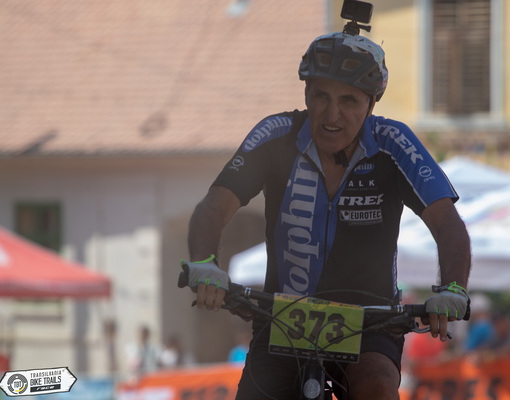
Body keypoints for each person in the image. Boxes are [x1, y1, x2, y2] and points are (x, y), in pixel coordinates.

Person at [183, 28, 471, 400]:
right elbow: (213, 206)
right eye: (321, 96)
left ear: (371, 103)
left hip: (370, 323)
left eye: (349, 100)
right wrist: (204, 262)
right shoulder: (276, 136)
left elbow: (448, 224)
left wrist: (452, 289)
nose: (332, 115)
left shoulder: (393, 144)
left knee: (377, 387)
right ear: (306, 94)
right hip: (282, 319)